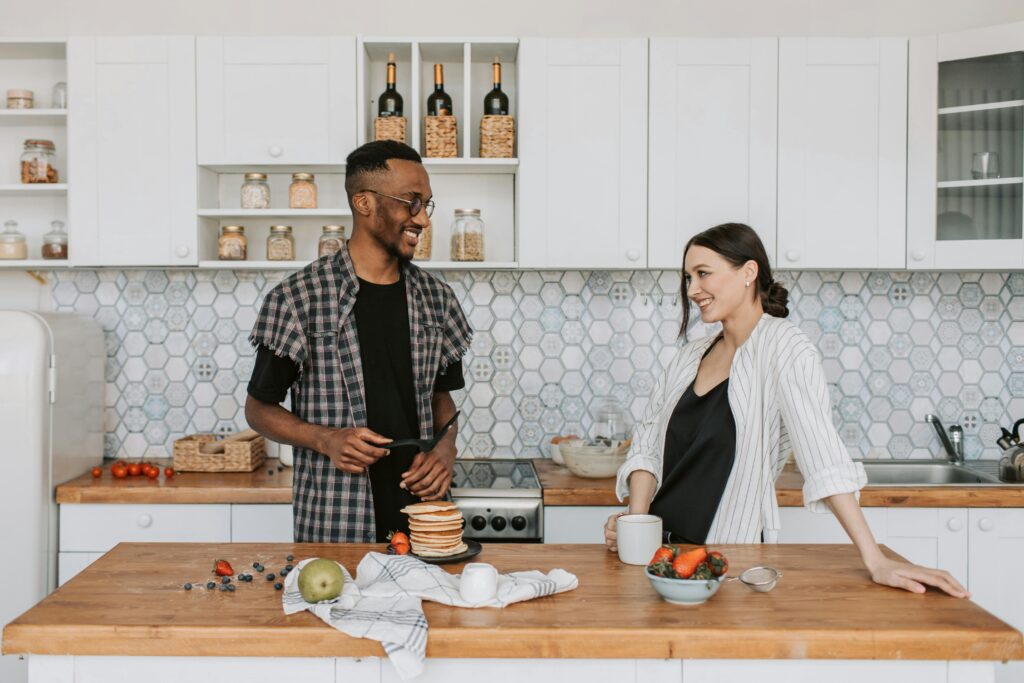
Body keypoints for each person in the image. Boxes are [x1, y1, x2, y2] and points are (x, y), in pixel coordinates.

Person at [604, 223, 969, 597]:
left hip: (721, 565)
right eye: (687, 277)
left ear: (748, 272)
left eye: (703, 274)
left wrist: (874, 558)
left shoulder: (785, 348)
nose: (692, 290)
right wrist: (635, 524)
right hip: (659, 561)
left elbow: (823, 458)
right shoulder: (689, 356)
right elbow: (647, 446)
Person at [245, 140, 471, 543]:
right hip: (335, 522)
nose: (423, 219)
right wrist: (325, 439)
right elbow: (259, 409)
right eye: (411, 202)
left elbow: (442, 399)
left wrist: (445, 450)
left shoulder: (438, 300)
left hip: (424, 523)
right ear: (364, 203)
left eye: (426, 205)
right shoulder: (298, 299)